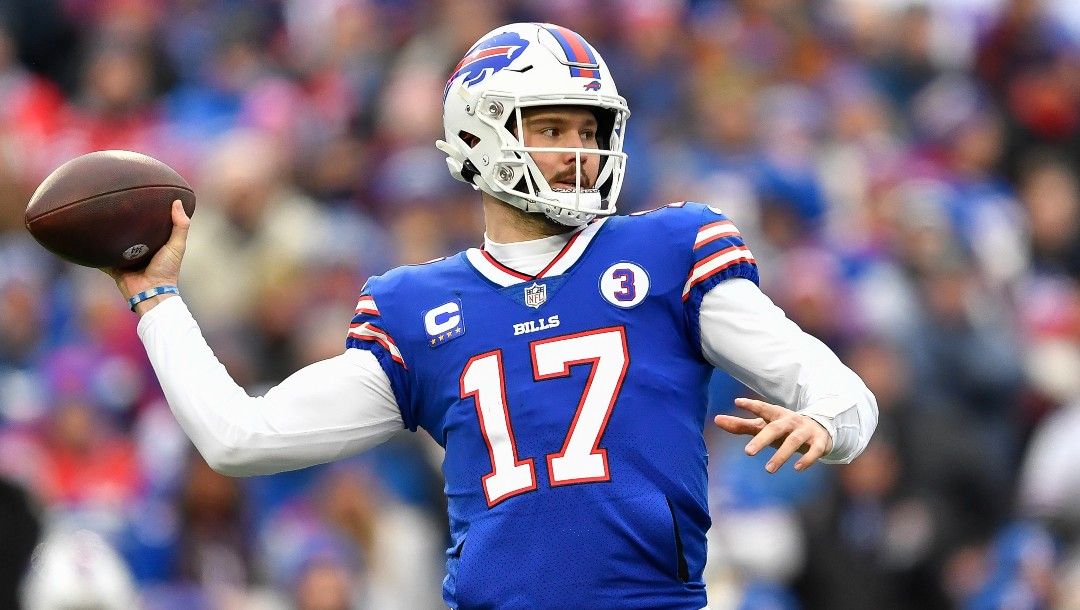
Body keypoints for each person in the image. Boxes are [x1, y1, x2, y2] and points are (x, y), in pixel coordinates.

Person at [106, 22, 878, 610]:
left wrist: (828, 425)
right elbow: (241, 439)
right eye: (549, 129)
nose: (577, 150)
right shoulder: (418, 309)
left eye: (588, 129)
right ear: (480, 133)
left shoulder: (667, 251)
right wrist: (155, 300)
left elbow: (842, 393)